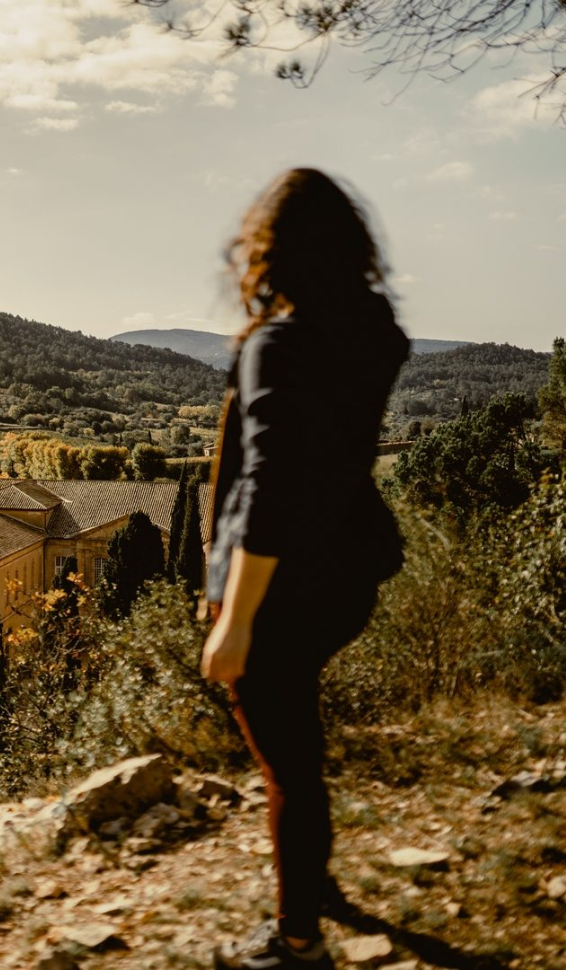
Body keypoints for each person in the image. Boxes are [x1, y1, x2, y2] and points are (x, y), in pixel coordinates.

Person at [200, 168, 409, 969]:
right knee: (298, 745)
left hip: (280, 585)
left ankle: (295, 942)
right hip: (348, 573)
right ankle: (310, 887)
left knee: (286, 761)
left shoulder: (277, 344)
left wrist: (234, 615)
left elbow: (270, 484)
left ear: (265, 249)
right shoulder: (375, 334)